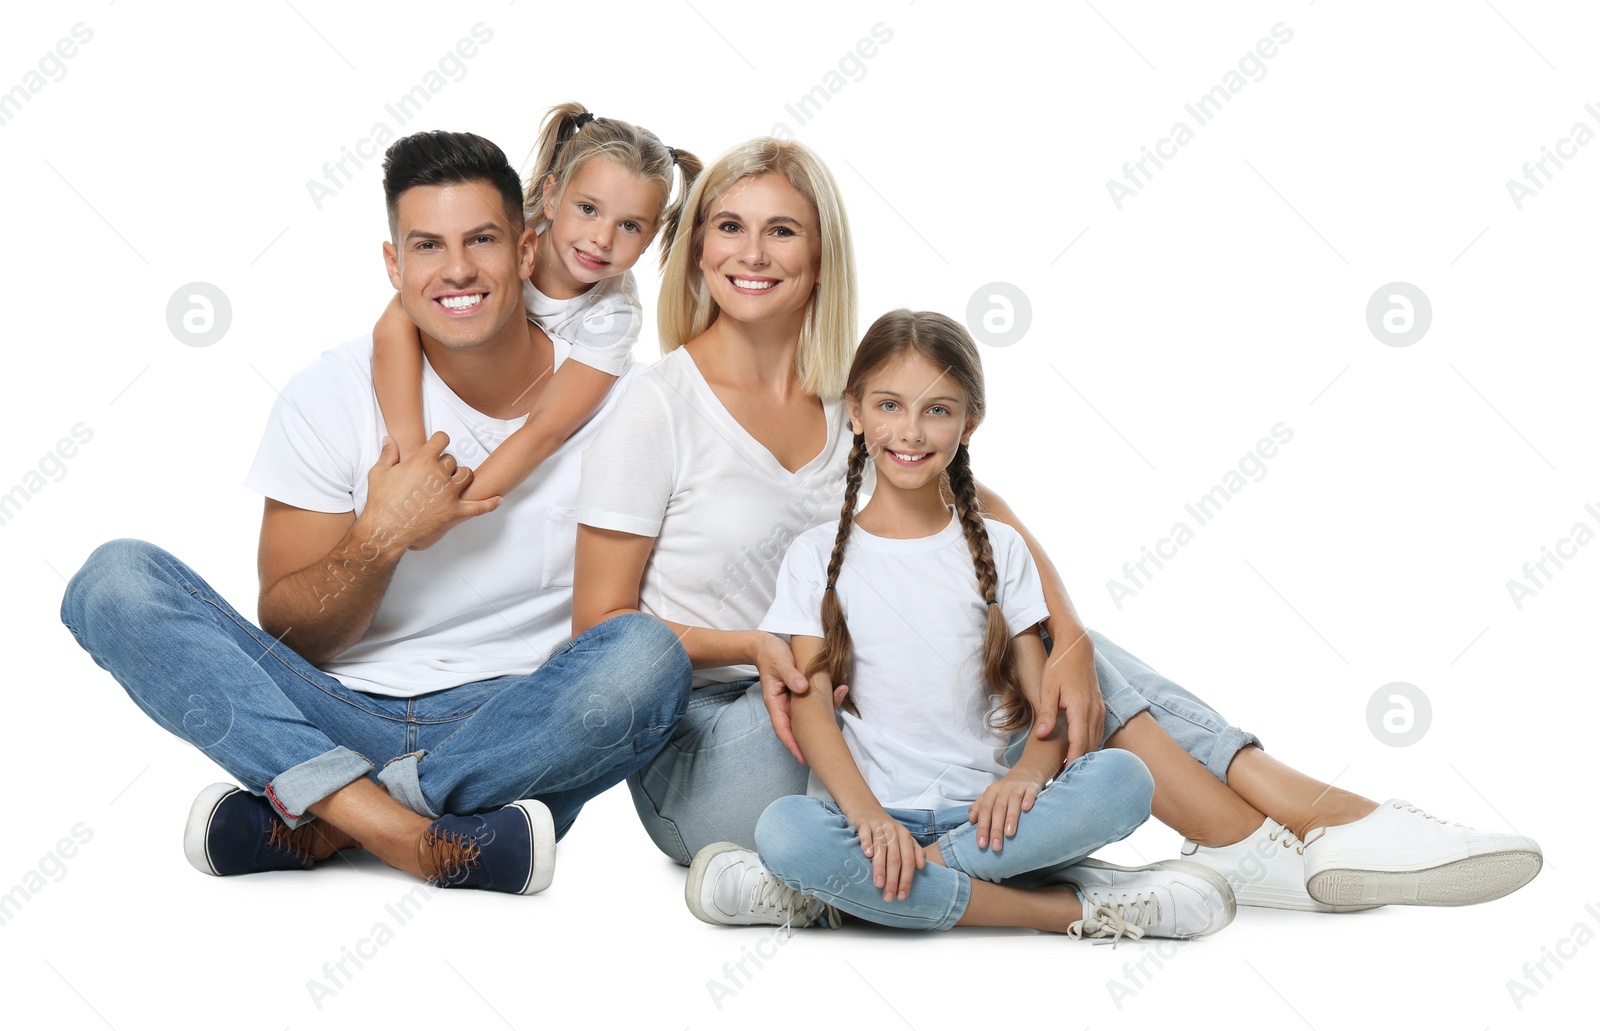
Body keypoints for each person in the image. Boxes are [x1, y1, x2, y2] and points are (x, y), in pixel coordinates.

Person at [574, 135, 1541, 920]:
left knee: (1029, 644)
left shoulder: (858, 404)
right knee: (1008, 653)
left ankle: (1284, 830)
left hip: (872, 737)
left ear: (821, 252)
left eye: (781, 229)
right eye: (729, 228)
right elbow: (603, 641)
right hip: (727, 756)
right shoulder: (653, 407)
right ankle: (1288, 829)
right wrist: (770, 645)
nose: (753, 252)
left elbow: (988, 526)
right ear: (695, 247)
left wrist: (1067, 640)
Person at [58, 130, 691, 895]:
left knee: (649, 657)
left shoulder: (630, 399)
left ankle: (326, 817)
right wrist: (382, 537)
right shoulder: (330, 391)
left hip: (508, 726)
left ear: (525, 249)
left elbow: (571, 475)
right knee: (114, 580)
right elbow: (292, 633)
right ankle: (418, 836)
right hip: (332, 706)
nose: (457, 270)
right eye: (428, 246)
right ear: (395, 266)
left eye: (481, 241)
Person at [691, 309, 1235, 941]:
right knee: (785, 830)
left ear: (970, 422)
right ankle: (1072, 910)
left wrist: (1028, 776)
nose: (911, 431)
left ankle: (852, 898)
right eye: (889, 405)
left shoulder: (1001, 550)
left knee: (1124, 780)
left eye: (938, 410)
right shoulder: (816, 555)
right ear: (856, 412)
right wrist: (867, 817)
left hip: (987, 823)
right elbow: (810, 709)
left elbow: (1045, 711)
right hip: (868, 822)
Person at [372, 104, 700, 510]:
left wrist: (445, 510)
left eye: (630, 225)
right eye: (588, 209)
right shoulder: (503, 238)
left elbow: (545, 428)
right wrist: (411, 463)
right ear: (550, 196)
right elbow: (397, 319)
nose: (602, 238)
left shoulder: (614, 315)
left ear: (651, 237)